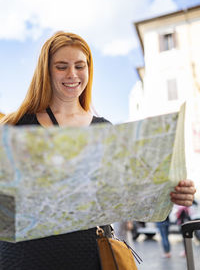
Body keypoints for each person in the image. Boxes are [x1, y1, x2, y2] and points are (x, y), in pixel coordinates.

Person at [0, 31, 196, 270]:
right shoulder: (15, 125)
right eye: (61, 66)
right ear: (46, 71)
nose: (72, 74)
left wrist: (173, 192)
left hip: (88, 256)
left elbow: (131, 193)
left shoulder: (104, 129)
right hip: (24, 259)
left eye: (79, 66)